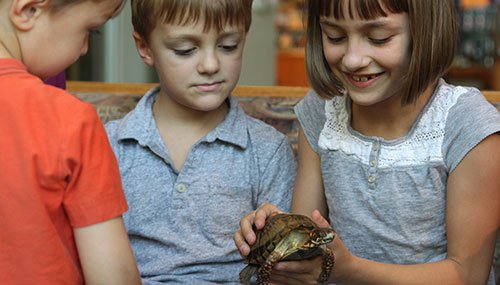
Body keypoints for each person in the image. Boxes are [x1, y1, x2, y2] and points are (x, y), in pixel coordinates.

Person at [234, 0, 500, 284]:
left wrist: (349, 269)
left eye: (378, 38)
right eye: (334, 36)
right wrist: (280, 235)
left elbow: (468, 275)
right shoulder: (322, 111)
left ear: (426, 31)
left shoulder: (466, 124)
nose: (352, 59)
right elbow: (310, 240)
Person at [104, 0, 296, 283]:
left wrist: (274, 232)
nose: (211, 65)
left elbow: (288, 269)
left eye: (228, 46)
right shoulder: (110, 145)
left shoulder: (267, 150)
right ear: (145, 48)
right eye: (186, 50)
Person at [0, 0, 142, 284]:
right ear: (29, 11)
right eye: (90, 30)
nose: (85, 48)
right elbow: (113, 277)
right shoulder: (72, 121)